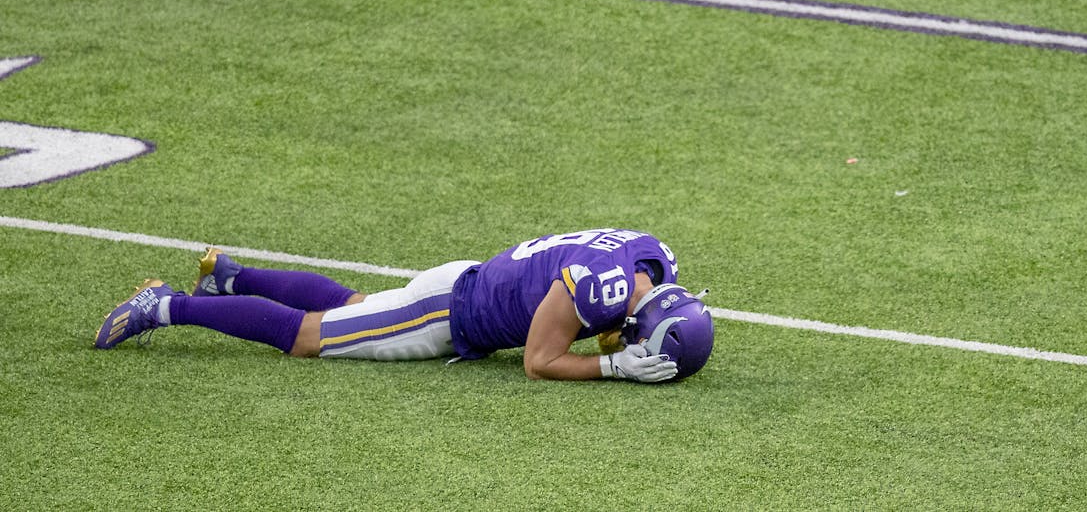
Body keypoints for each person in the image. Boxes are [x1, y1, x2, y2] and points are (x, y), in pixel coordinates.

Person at [94, 227, 714, 383]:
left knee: (357, 305)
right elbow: (538, 359)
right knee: (311, 336)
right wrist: (613, 367)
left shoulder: (650, 257)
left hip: (461, 282)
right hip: (445, 315)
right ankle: (166, 305)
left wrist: (617, 338)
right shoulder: (605, 287)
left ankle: (229, 277)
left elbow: (587, 310)